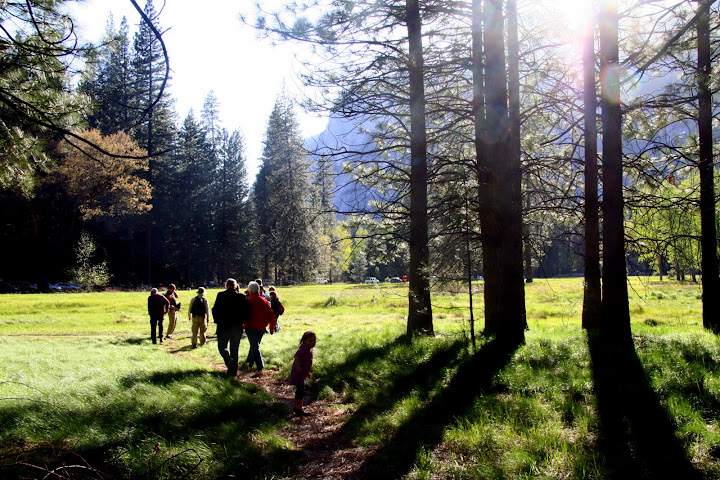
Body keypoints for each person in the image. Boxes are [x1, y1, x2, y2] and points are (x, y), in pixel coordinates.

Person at [212, 279, 250, 376]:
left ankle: (228, 361)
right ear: (235, 286)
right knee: (234, 348)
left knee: (222, 347)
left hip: (223, 326)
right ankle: (233, 371)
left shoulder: (220, 295)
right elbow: (247, 311)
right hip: (237, 326)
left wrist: (217, 320)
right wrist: (242, 321)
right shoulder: (242, 297)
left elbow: (215, 309)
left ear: (226, 286)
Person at [244, 281, 276, 377]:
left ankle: (259, 367)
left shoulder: (248, 300)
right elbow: (271, 314)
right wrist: (271, 327)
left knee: (255, 346)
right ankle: (249, 364)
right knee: (254, 345)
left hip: (250, 326)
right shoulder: (264, 300)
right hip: (261, 327)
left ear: (250, 290)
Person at [290, 331, 316, 416]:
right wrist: (298, 366)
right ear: (304, 341)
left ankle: (297, 407)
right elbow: (296, 356)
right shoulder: (304, 348)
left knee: (300, 390)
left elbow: (308, 362)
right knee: (300, 390)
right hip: (298, 372)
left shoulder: (308, 349)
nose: (312, 342)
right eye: (310, 340)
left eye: (314, 340)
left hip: (302, 372)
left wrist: (307, 372)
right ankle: (299, 408)